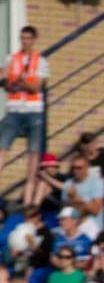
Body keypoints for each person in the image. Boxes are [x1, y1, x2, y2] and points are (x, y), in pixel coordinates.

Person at [0, 28, 47, 189]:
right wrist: (10, 83)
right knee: (2, 146)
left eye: (28, 38)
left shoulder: (40, 60)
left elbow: (36, 87)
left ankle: (30, 186)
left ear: (34, 39)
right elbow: (5, 83)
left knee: (33, 150)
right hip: (14, 108)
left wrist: (23, 82)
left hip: (33, 109)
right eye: (22, 38)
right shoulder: (11, 59)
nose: (25, 41)